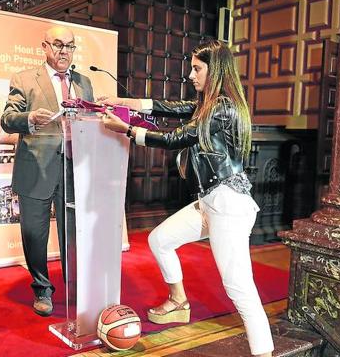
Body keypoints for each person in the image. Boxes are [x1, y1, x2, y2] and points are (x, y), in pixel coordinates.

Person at [101, 40, 274, 357]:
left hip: (228, 205)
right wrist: (125, 101)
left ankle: (264, 352)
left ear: (215, 69)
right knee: (160, 239)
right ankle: (179, 301)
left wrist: (127, 130)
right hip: (210, 201)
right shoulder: (209, 105)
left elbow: (176, 137)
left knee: (239, 287)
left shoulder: (223, 107)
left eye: (197, 68)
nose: (191, 75)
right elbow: (173, 108)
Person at [0, 26, 94, 316]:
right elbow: (7, 119)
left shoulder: (85, 81)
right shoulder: (25, 78)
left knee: (73, 234)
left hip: (74, 170)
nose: (64, 50)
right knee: (34, 234)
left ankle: (75, 285)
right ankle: (42, 288)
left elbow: (89, 121)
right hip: (36, 170)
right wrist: (29, 119)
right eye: (58, 44)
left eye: (70, 45)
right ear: (45, 47)